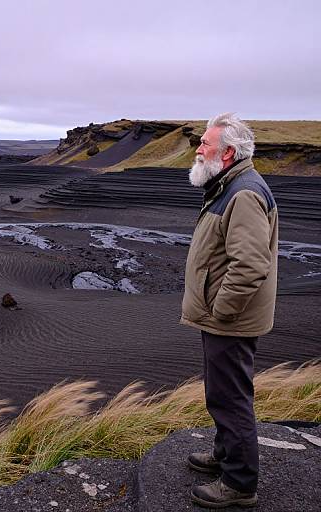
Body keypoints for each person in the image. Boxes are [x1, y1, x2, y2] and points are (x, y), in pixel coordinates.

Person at [180, 113, 278, 508]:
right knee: (220, 391)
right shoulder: (228, 184)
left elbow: (251, 264)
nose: (198, 149)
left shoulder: (243, 193)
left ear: (228, 152)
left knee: (230, 397)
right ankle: (225, 454)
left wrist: (222, 310)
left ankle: (239, 482)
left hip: (231, 319)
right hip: (223, 316)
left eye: (205, 143)